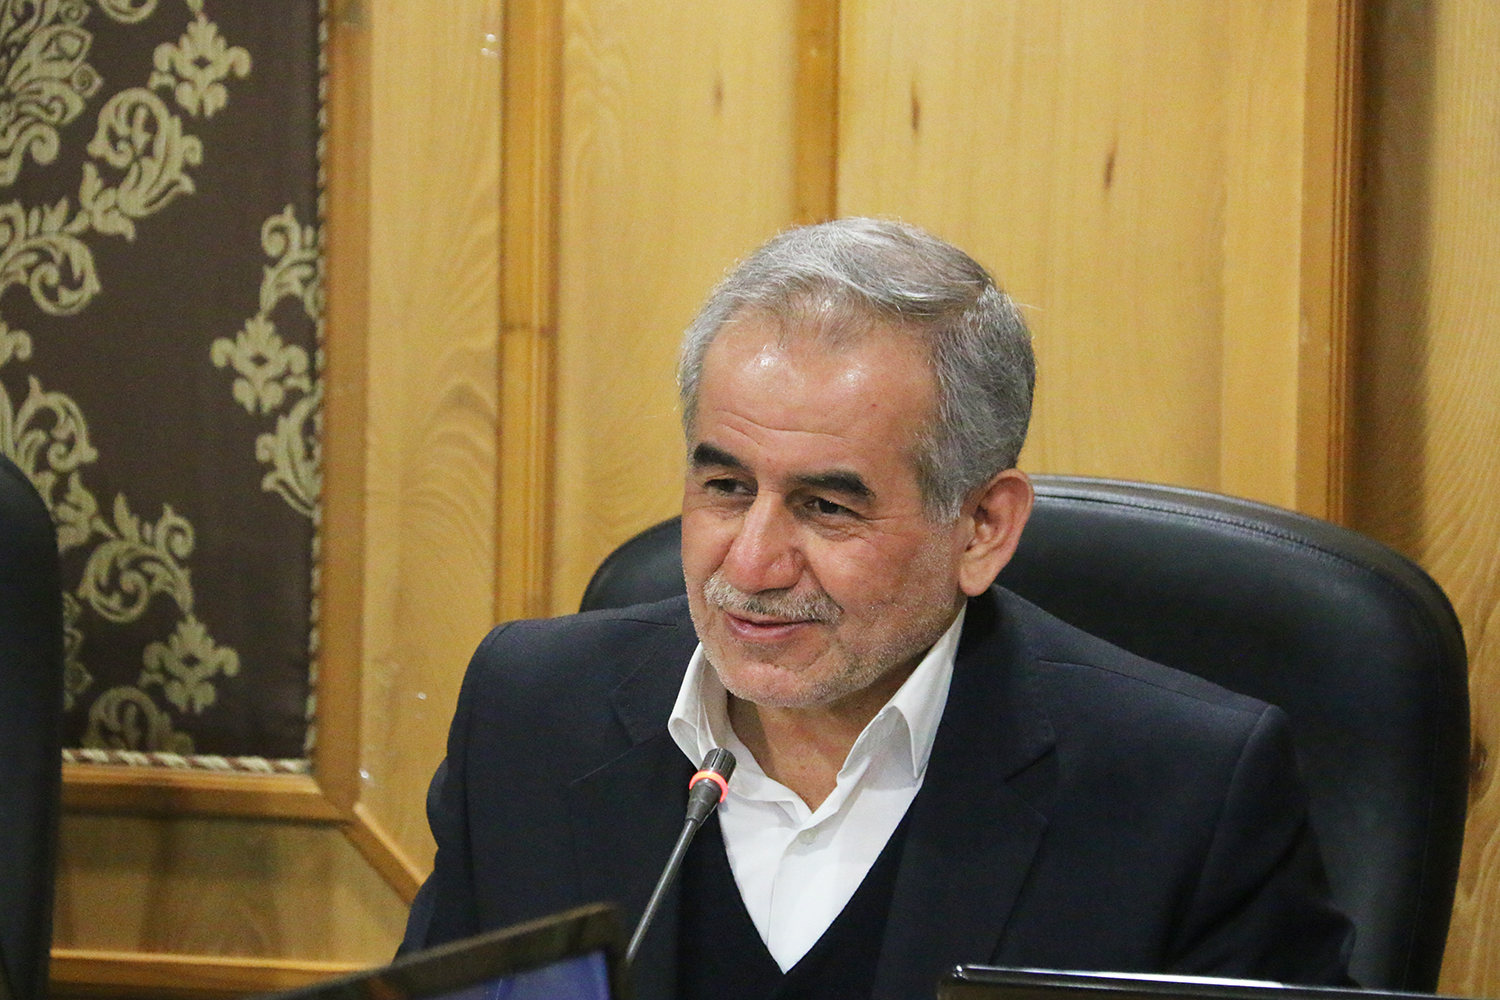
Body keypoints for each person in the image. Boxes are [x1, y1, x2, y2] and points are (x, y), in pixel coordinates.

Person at [401, 219, 1353, 999]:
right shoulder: (532, 714)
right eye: (726, 488)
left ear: (982, 527)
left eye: (826, 507)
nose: (753, 563)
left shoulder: (1184, 792)